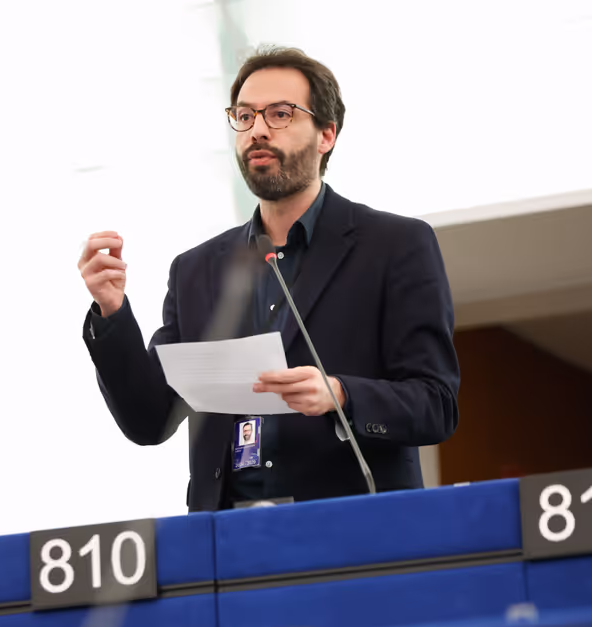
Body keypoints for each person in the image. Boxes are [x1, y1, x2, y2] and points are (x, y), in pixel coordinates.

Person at [79, 46, 460, 512]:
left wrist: (340, 394)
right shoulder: (196, 270)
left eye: (280, 114)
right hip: (225, 541)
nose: (257, 129)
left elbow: (436, 404)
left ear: (326, 134)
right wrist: (112, 312)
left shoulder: (395, 245)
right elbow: (148, 421)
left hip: (352, 528)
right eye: (244, 116)